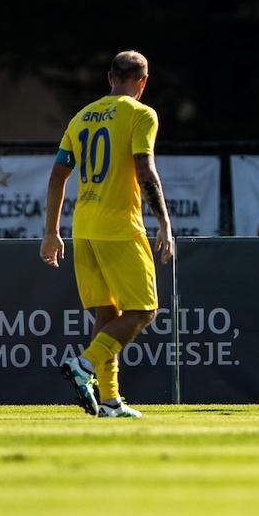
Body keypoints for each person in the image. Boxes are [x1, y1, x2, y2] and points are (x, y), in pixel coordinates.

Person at [40, 51, 174, 418]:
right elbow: (144, 169)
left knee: (107, 312)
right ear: (143, 82)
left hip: (83, 228)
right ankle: (84, 365)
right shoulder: (142, 114)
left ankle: (110, 401)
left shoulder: (81, 116)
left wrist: (51, 233)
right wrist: (164, 222)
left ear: (109, 77)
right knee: (144, 310)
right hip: (119, 227)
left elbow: (57, 177)